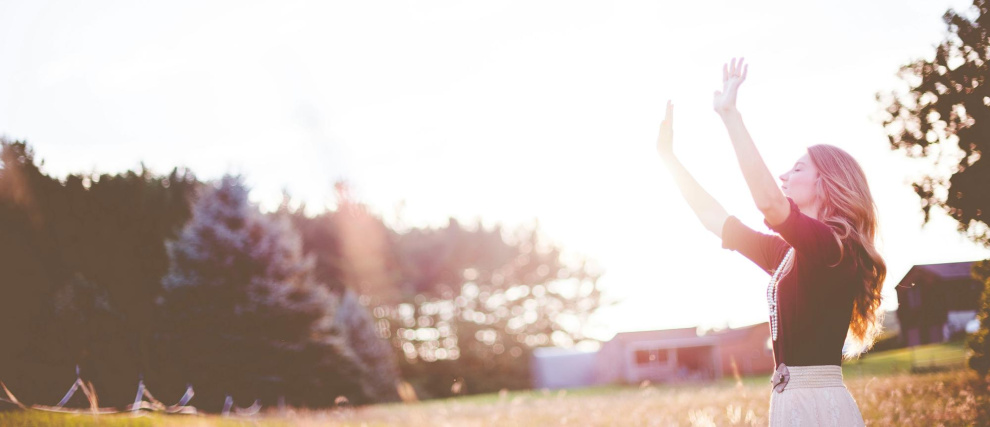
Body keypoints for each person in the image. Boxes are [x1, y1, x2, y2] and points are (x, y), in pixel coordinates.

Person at [655, 58, 884, 426]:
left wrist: (730, 116)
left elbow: (769, 203)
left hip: (819, 409)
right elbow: (716, 220)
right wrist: (668, 159)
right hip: (789, 406)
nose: (783, 176)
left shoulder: (834, 249)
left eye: (797, 169)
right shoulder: (790, 255)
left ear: (827, 183)